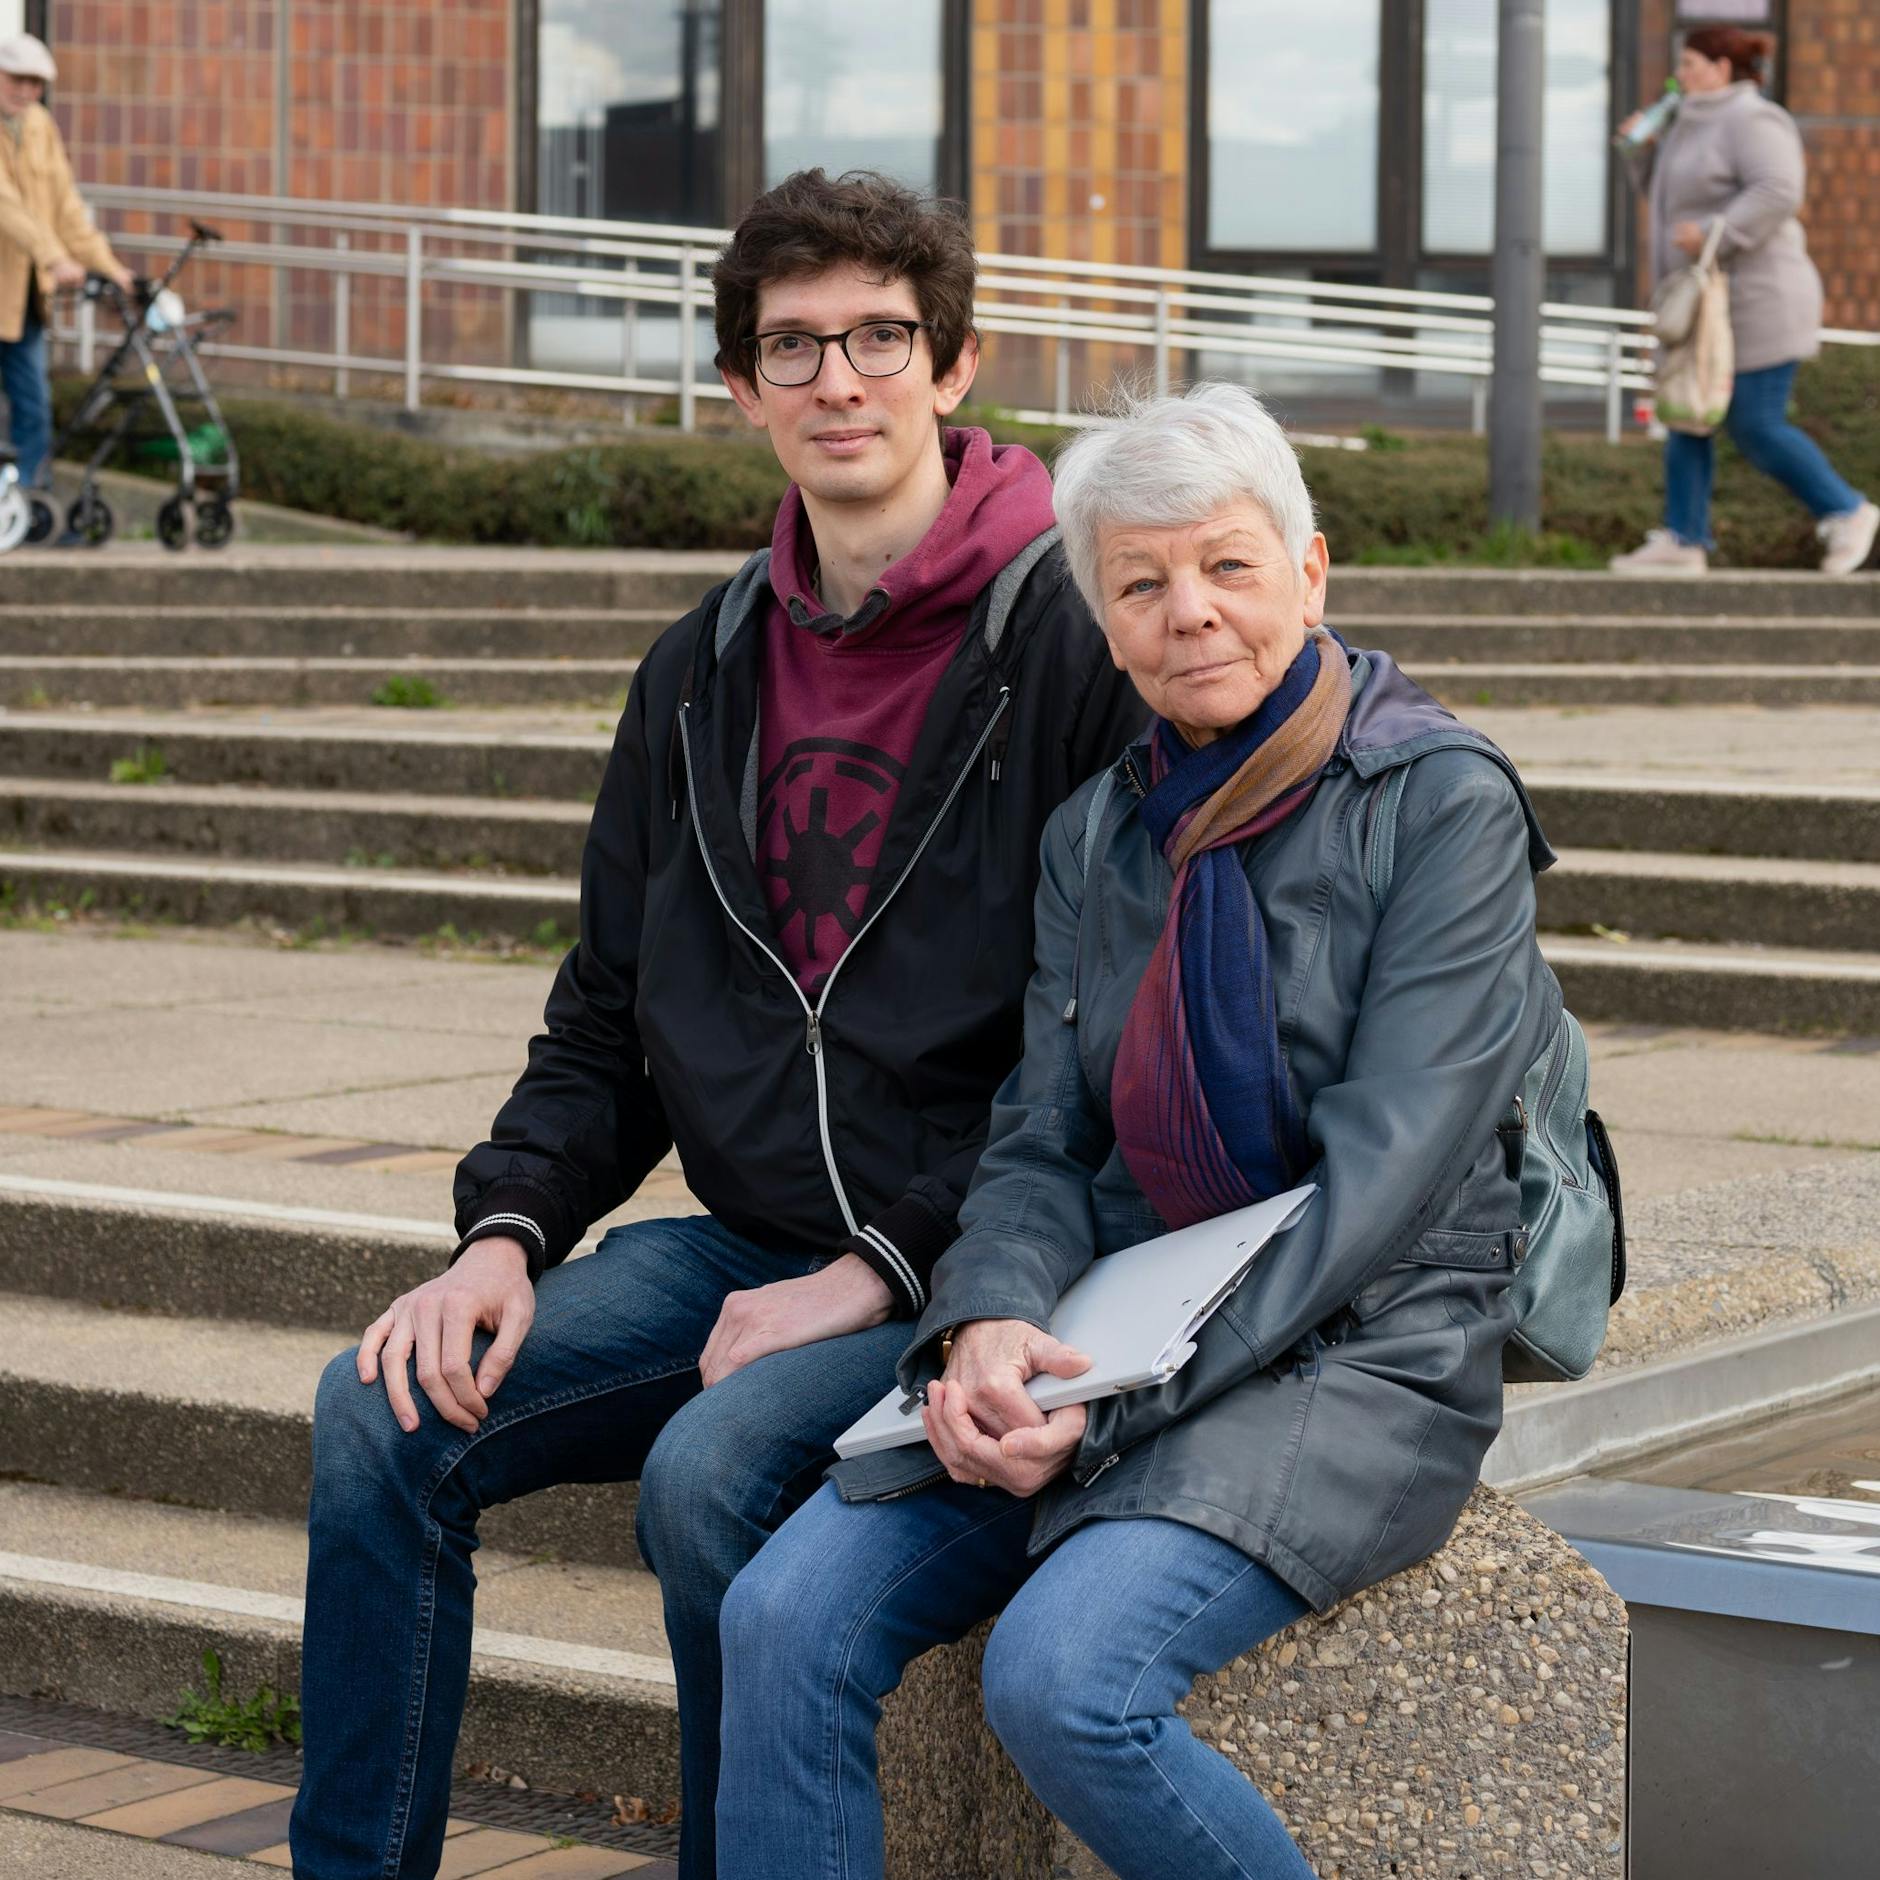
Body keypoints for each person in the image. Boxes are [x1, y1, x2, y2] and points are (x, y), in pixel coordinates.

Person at [287, 168, 1142, 1880]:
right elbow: (606, 1013)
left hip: (986, 1259)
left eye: (882, 338)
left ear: (954, 365)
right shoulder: (700, 671)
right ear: (741, 389)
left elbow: (1104, 1038)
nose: (842, 380)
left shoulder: (1073, 639)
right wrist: (507, 1232)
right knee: (378, 1415)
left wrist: (897, 1264)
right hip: (750, 1247)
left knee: (708, 1475)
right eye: (795, 346)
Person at [715, 382, 1563, 1880]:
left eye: (1230, 567)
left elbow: (1388, 1172)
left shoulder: (1443, 803)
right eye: (1141, 583)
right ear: (1102, 626)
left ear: (1311, 572)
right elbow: (1039, 1136)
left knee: (1065, 1681)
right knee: (783, 1619)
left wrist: (1104, 1410)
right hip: (1122, 1314)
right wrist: (985, 1328)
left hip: (1362, 1341)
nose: (1192, 613)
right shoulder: (1097, 832)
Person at [1610, 26, 1877, 576]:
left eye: (1689, 63)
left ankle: (1847, 509)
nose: (1678, 75)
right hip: (1706, 311)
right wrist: (1642, 154)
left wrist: (1715, 230)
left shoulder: (1753, 120)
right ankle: (1683, 538)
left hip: (1761, 301)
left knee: (1755, 422)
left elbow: (1779, 191)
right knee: (1687, 414)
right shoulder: (1686, 120)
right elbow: (1664, 203)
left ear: (1721, 69)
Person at [0, 32, 132, 490]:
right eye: (17, 79)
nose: (26, 91)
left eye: (36, 84)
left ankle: (33, 506)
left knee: (34, 405)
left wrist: (110, 266)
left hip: (24, 300)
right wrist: (55, 257)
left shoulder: (39, 126)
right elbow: (6, 204)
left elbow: (67, 207)